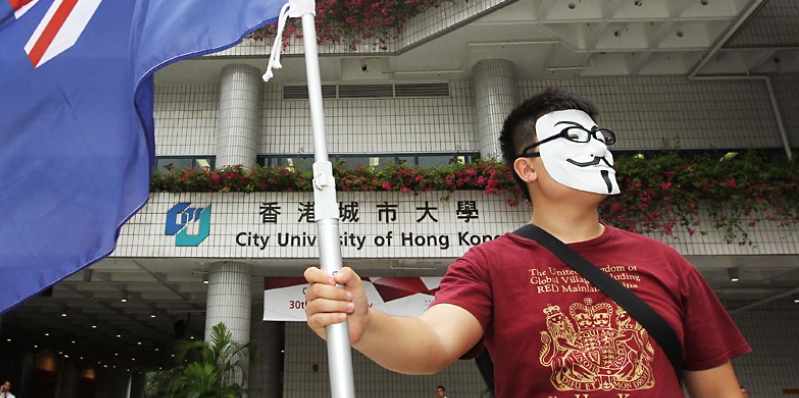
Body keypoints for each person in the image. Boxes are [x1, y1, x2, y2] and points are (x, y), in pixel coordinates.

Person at [304, 88, 751, 397]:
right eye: (574, 138)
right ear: (527, 169)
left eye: (600, 138)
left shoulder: (665, 262)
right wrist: (367, 324)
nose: (597, 149)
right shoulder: (489, 265)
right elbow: (434, 341)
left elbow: (718, 388)